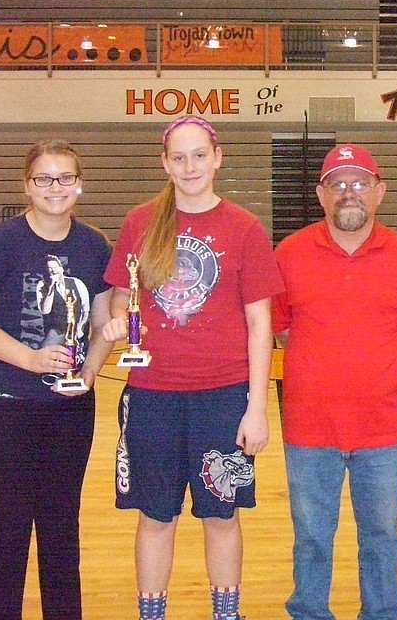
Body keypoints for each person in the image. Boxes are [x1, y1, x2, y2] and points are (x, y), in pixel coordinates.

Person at [93, 116, 283, 620]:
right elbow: (119, 301)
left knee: (222, 516)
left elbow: (260, 325)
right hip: (152, 396)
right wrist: (118, 325)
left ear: (218, 158)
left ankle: (227, 613)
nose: (190, 166)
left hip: (223, 399)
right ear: (165, 164)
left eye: (200, 155)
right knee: (156, 517)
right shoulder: (140, 222)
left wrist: (257, 408)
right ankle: (152, 613)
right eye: (179, 157)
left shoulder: (244, 227)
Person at [272, 143, 397, 620]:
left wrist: (370, 363)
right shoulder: (289, 254)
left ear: (379, 192)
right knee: (310, 536)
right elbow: (282, 330)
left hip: (382, 430)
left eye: (360, 183)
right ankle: (309, 612)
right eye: (339, 185)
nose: (350, 193)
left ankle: (383, 613)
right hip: (309, 429)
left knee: (382, 536)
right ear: (321, 194)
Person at [0, 140, 113, 620]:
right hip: (6, 406)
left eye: (65, 177)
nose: (55, 188)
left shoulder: (93, 244)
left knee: (61, 526)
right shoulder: (2, 243)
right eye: (44, 178)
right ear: (27, 185)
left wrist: (89, 369)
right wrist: (30, 360)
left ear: (79, 184)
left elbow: (105, 320)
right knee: (7, 525)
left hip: (69, 411)